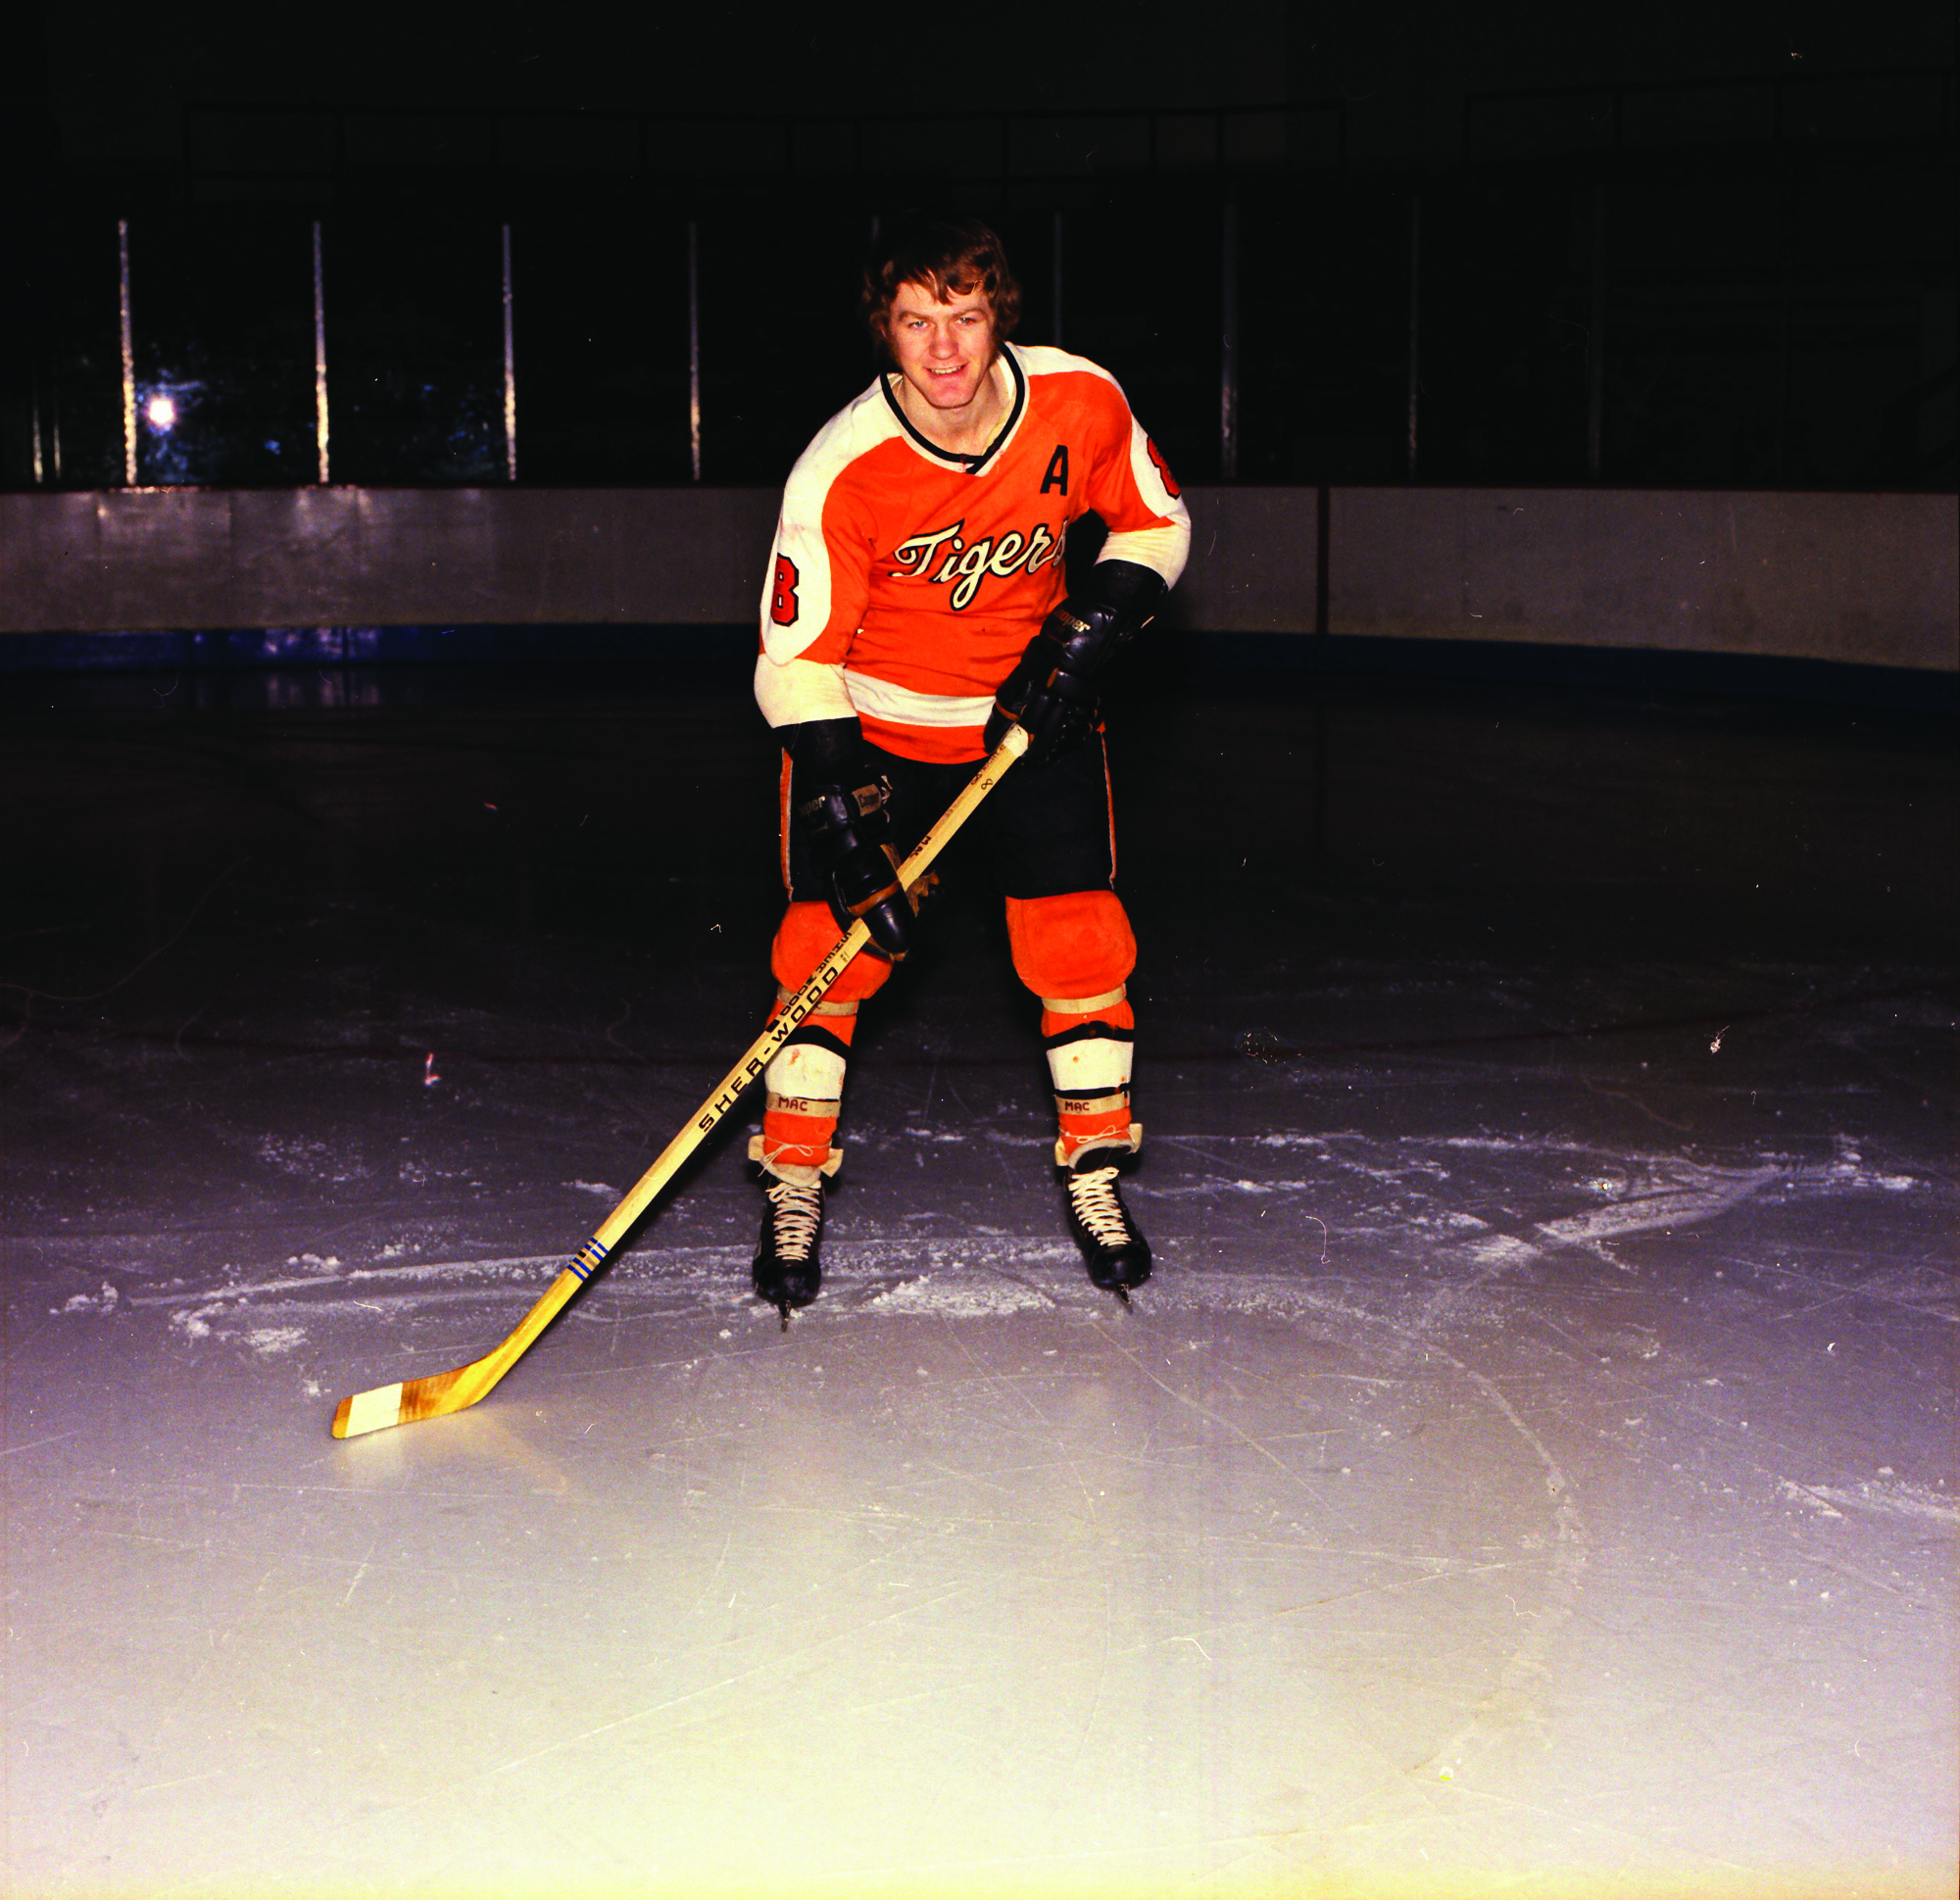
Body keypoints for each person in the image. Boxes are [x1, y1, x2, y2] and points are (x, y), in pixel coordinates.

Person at [749, 213, 1190, 1317]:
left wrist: (1086, 632)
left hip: (1028, 726)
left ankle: (1095, 1174)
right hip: (877, 731)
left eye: (963, 316)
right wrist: (847, 821)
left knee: (1079, 939)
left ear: (1000, 315)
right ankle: (793, 1179)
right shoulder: (841, 467)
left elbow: (1154, 523)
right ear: (882, 332)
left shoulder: (1079, 399)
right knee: (828, 953)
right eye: (913, 322)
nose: (941, 350)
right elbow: (792, 662)